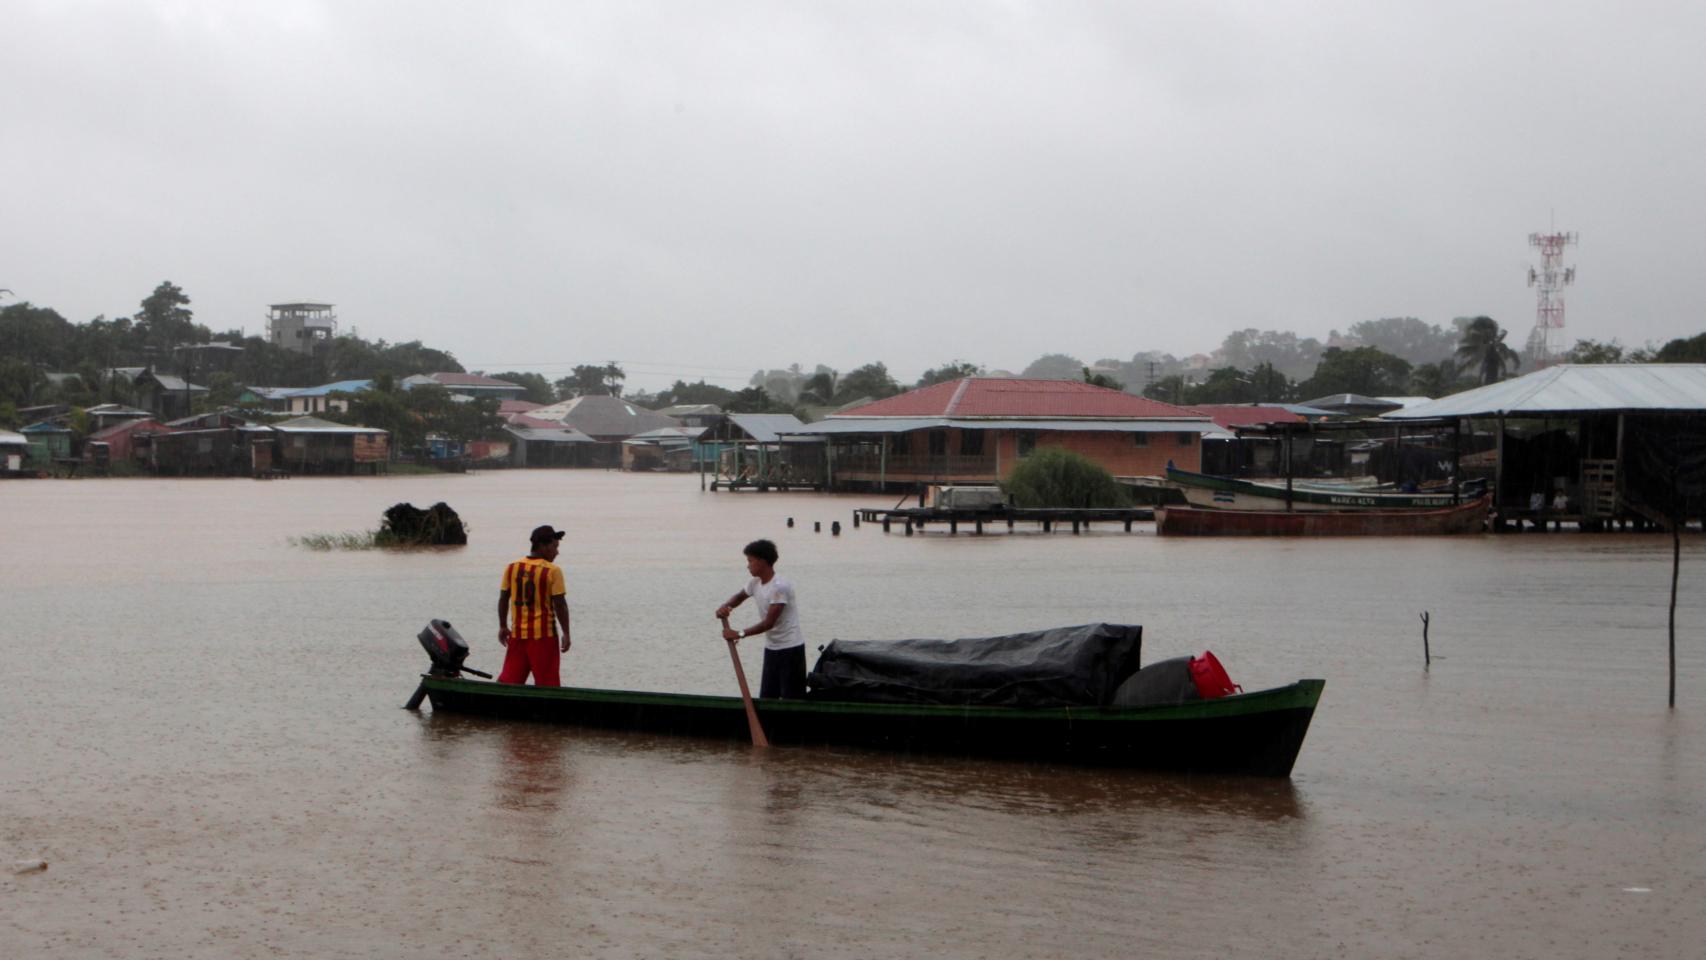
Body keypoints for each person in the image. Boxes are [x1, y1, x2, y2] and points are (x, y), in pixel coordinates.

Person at [715, 538, 806, 698]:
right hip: (772, 648)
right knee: (767, 696)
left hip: (791, 650)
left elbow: (768, 623)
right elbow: (739, 597)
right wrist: (726, 607)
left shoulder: (779, 587)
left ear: (762, 562)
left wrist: (739, 634)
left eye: (750, 561)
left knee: (792, 698)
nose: (747, 565)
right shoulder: (754, 583)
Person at [497, 525, 572, 686]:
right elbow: (560, 604)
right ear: (542, 546)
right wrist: (566, 632)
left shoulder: (512, 567)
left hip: (518, 635)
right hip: (543, 636)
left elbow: (503, 598)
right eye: (554, 547)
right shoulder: (553, 571)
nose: (557, 552)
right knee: (548, 684)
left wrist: (503, 625)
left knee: (509, 682)